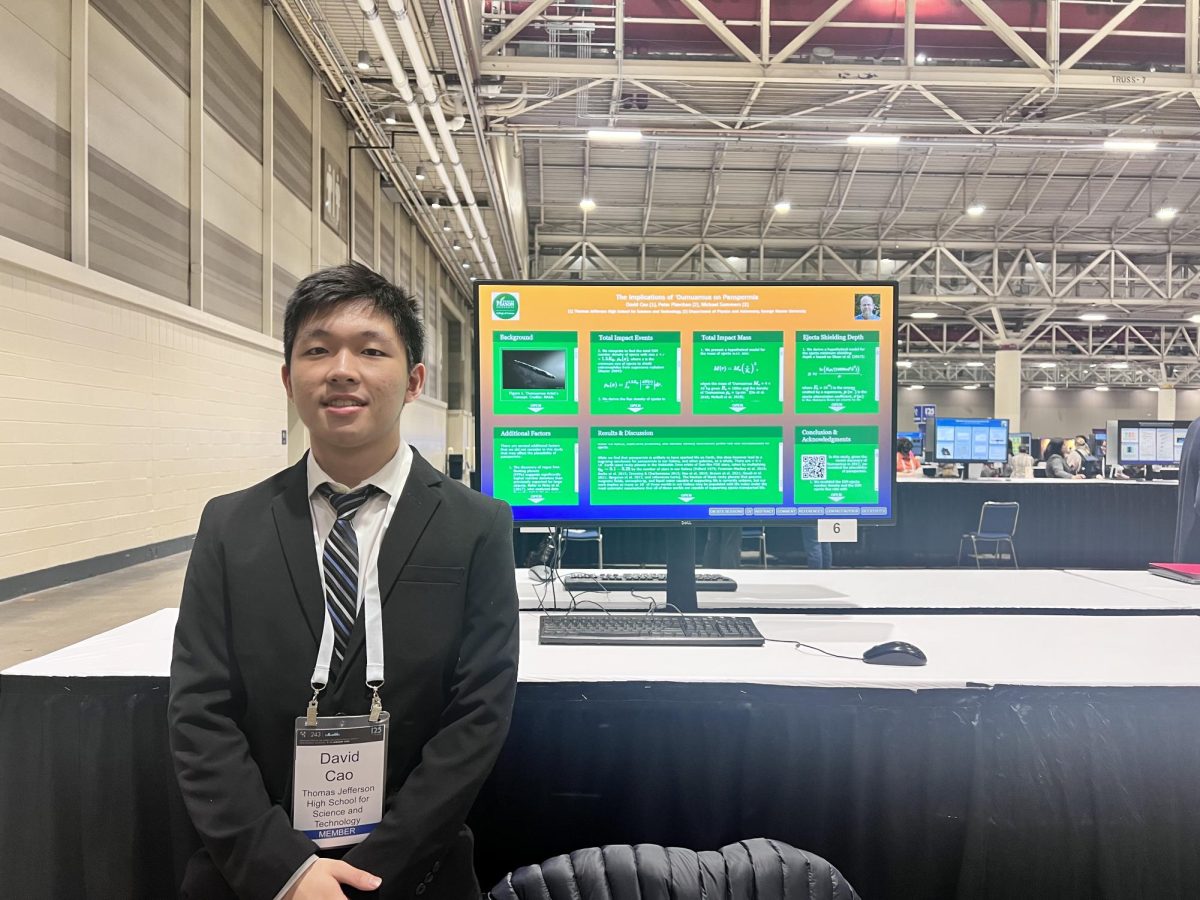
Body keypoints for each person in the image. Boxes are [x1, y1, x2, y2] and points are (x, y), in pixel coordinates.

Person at [168, 263, 519, 900]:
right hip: (253, 872)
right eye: (317, 349)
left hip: (418, 872)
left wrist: (378, 871)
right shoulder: (230, 525)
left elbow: (479, 714)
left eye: (371, 349)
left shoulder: (477, 526)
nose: (342, 369)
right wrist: (285, 870)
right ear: (288, 378)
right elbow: (199, 712)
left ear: (413, 381)